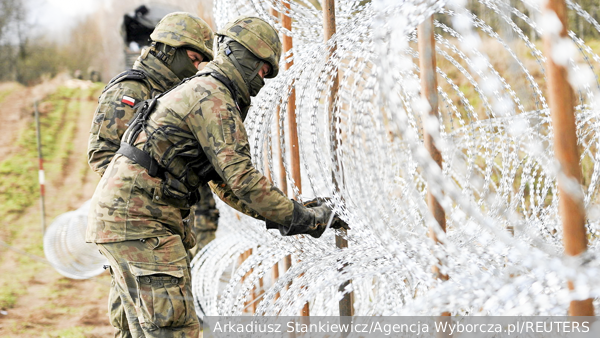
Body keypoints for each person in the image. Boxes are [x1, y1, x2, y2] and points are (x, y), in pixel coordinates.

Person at [86, 15, 347, 337]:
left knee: (141, 331)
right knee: (173, 330)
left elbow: (226, 186)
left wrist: (297, 212)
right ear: (244, 58)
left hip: (132, 223)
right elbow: (241, 178)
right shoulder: (214, 99)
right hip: (143, 224)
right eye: (262, 70)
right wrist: (305, 218)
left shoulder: (205, 91)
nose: (261, 81)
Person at [86, 11, 215, 338]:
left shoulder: (175, 93)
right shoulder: (133, 89)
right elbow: (102, 153)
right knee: (141, 325)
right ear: (169, 49)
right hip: (138, 230)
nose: (198, 66)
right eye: (194, 57)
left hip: (164, 226)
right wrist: (147, 196)